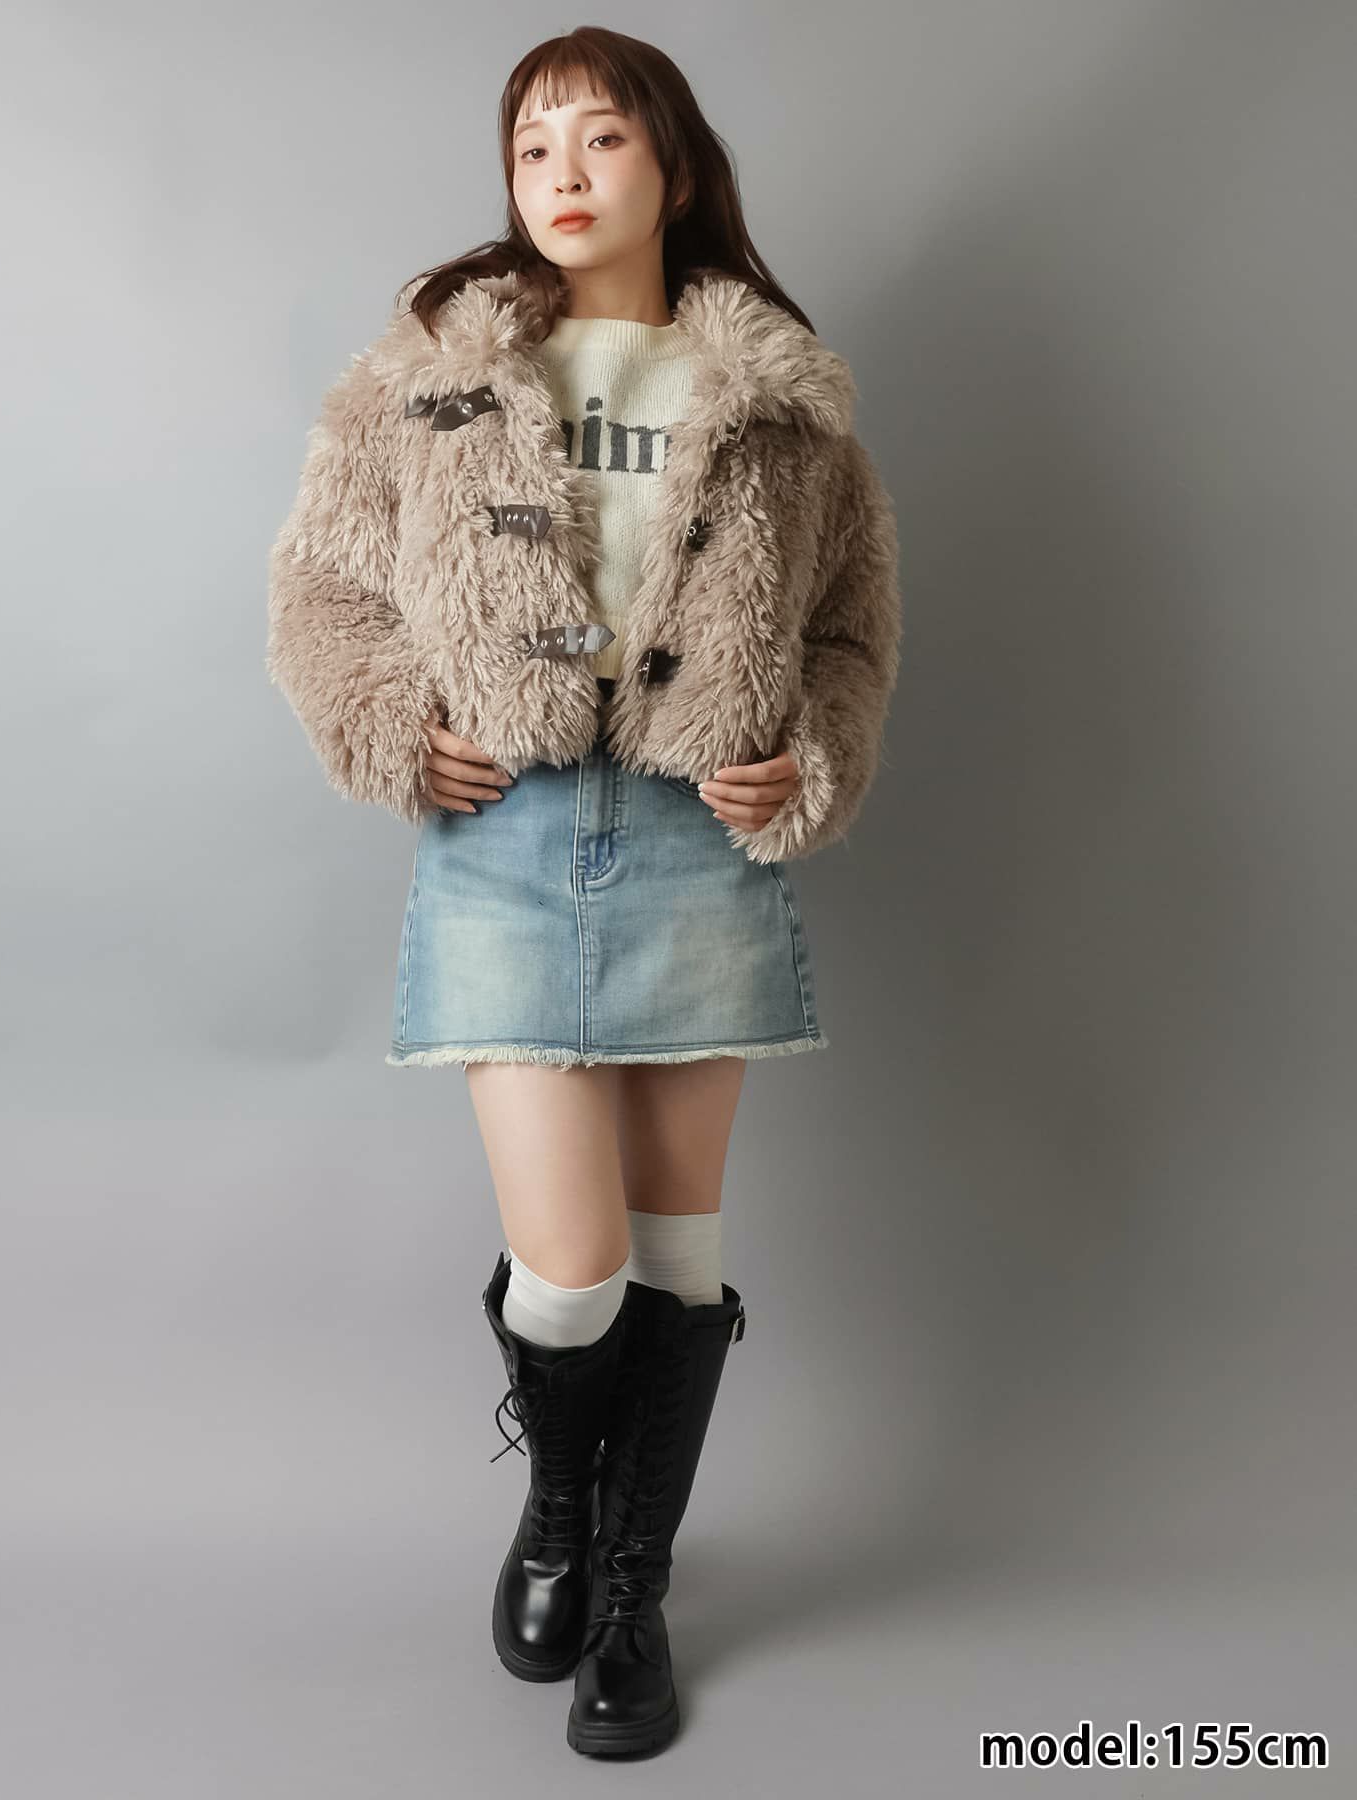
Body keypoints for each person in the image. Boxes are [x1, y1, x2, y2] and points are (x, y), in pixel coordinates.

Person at [265, 26, 902, 1760]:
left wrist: (810, 759)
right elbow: (322, 594)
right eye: (531, 142)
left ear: (672, 170)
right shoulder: (428, 372)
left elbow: (851, 634)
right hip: (509, 840)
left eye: (600, 138)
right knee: (576, 1264)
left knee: (679, 1257)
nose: (559, 171)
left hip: (699, 839)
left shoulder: (781, 401)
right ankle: (558, 1512)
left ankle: (631, 1587)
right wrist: (394, 721)